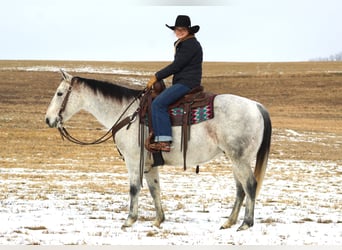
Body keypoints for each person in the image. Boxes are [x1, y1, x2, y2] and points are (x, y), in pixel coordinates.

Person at [146, 15, 203, 152]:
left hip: (186, 83)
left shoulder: (190, 44)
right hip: (185, 81)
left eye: (182, 29)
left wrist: (157, 76)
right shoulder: (184, 43)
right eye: (177, 29)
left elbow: (177, 65)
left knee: (158, 104)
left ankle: (164, 141)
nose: (179, 32)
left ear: (189, 30)